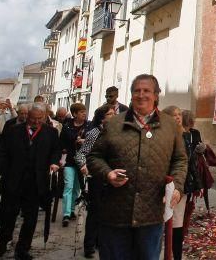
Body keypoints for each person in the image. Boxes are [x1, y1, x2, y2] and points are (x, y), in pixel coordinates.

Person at [87, 74, 186, 260]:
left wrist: (177, 188)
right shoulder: (114, 124)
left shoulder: (170, 126)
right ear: (131, 95)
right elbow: (94, 157)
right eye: (136, 91)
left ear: (156, 95)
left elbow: (180, 160)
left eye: (147, 91)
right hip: (115, 214)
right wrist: (108, 174)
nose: (141, 95)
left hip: (151, 214)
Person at [0, 103, 60, 260]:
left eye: (39, 119)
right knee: (6, 213)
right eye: (33, 118)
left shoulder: (51, 133)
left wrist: (54, 162)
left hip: (35, 183)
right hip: (14, 180)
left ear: (44, 117)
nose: (36, 122)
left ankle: (22, 248)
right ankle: (4, 239)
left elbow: (55, 150)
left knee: (30, 218)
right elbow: (3, 152)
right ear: (27, 116)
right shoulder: (13, 131)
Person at [162, 108, 205, 260]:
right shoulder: (160, 135)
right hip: (163, 183)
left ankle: (177, 255)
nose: (177, 117)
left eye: (179, 115)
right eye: (174, 115)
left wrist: (198, 184)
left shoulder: (185, 135)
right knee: (162, 220)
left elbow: (191, 160)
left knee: (178, 221)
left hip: (183, 184)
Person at [75, 106, 116, 258]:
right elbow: (81, 154)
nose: (114, 115)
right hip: (96, 177)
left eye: (114, 113)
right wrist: (84, 166)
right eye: (110, 114)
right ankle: (89, 245)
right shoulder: (94, 133)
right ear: (102, 118)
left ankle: (102, 241)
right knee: (95, 211)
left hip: (112, 177)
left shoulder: (118, 133)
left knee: (108, 212)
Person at [59, 102, 90, 227]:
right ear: (75, 114)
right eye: (82, 112)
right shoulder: (67, 126)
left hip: (82, 162)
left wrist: (85, 141)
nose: (84, 114)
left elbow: (94, 140)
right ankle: (66, 213)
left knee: (77, 188)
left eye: (85, 112)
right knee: (68, 186)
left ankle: (71, 210)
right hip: (70, 161)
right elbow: (61, 144)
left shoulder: (89, 126)